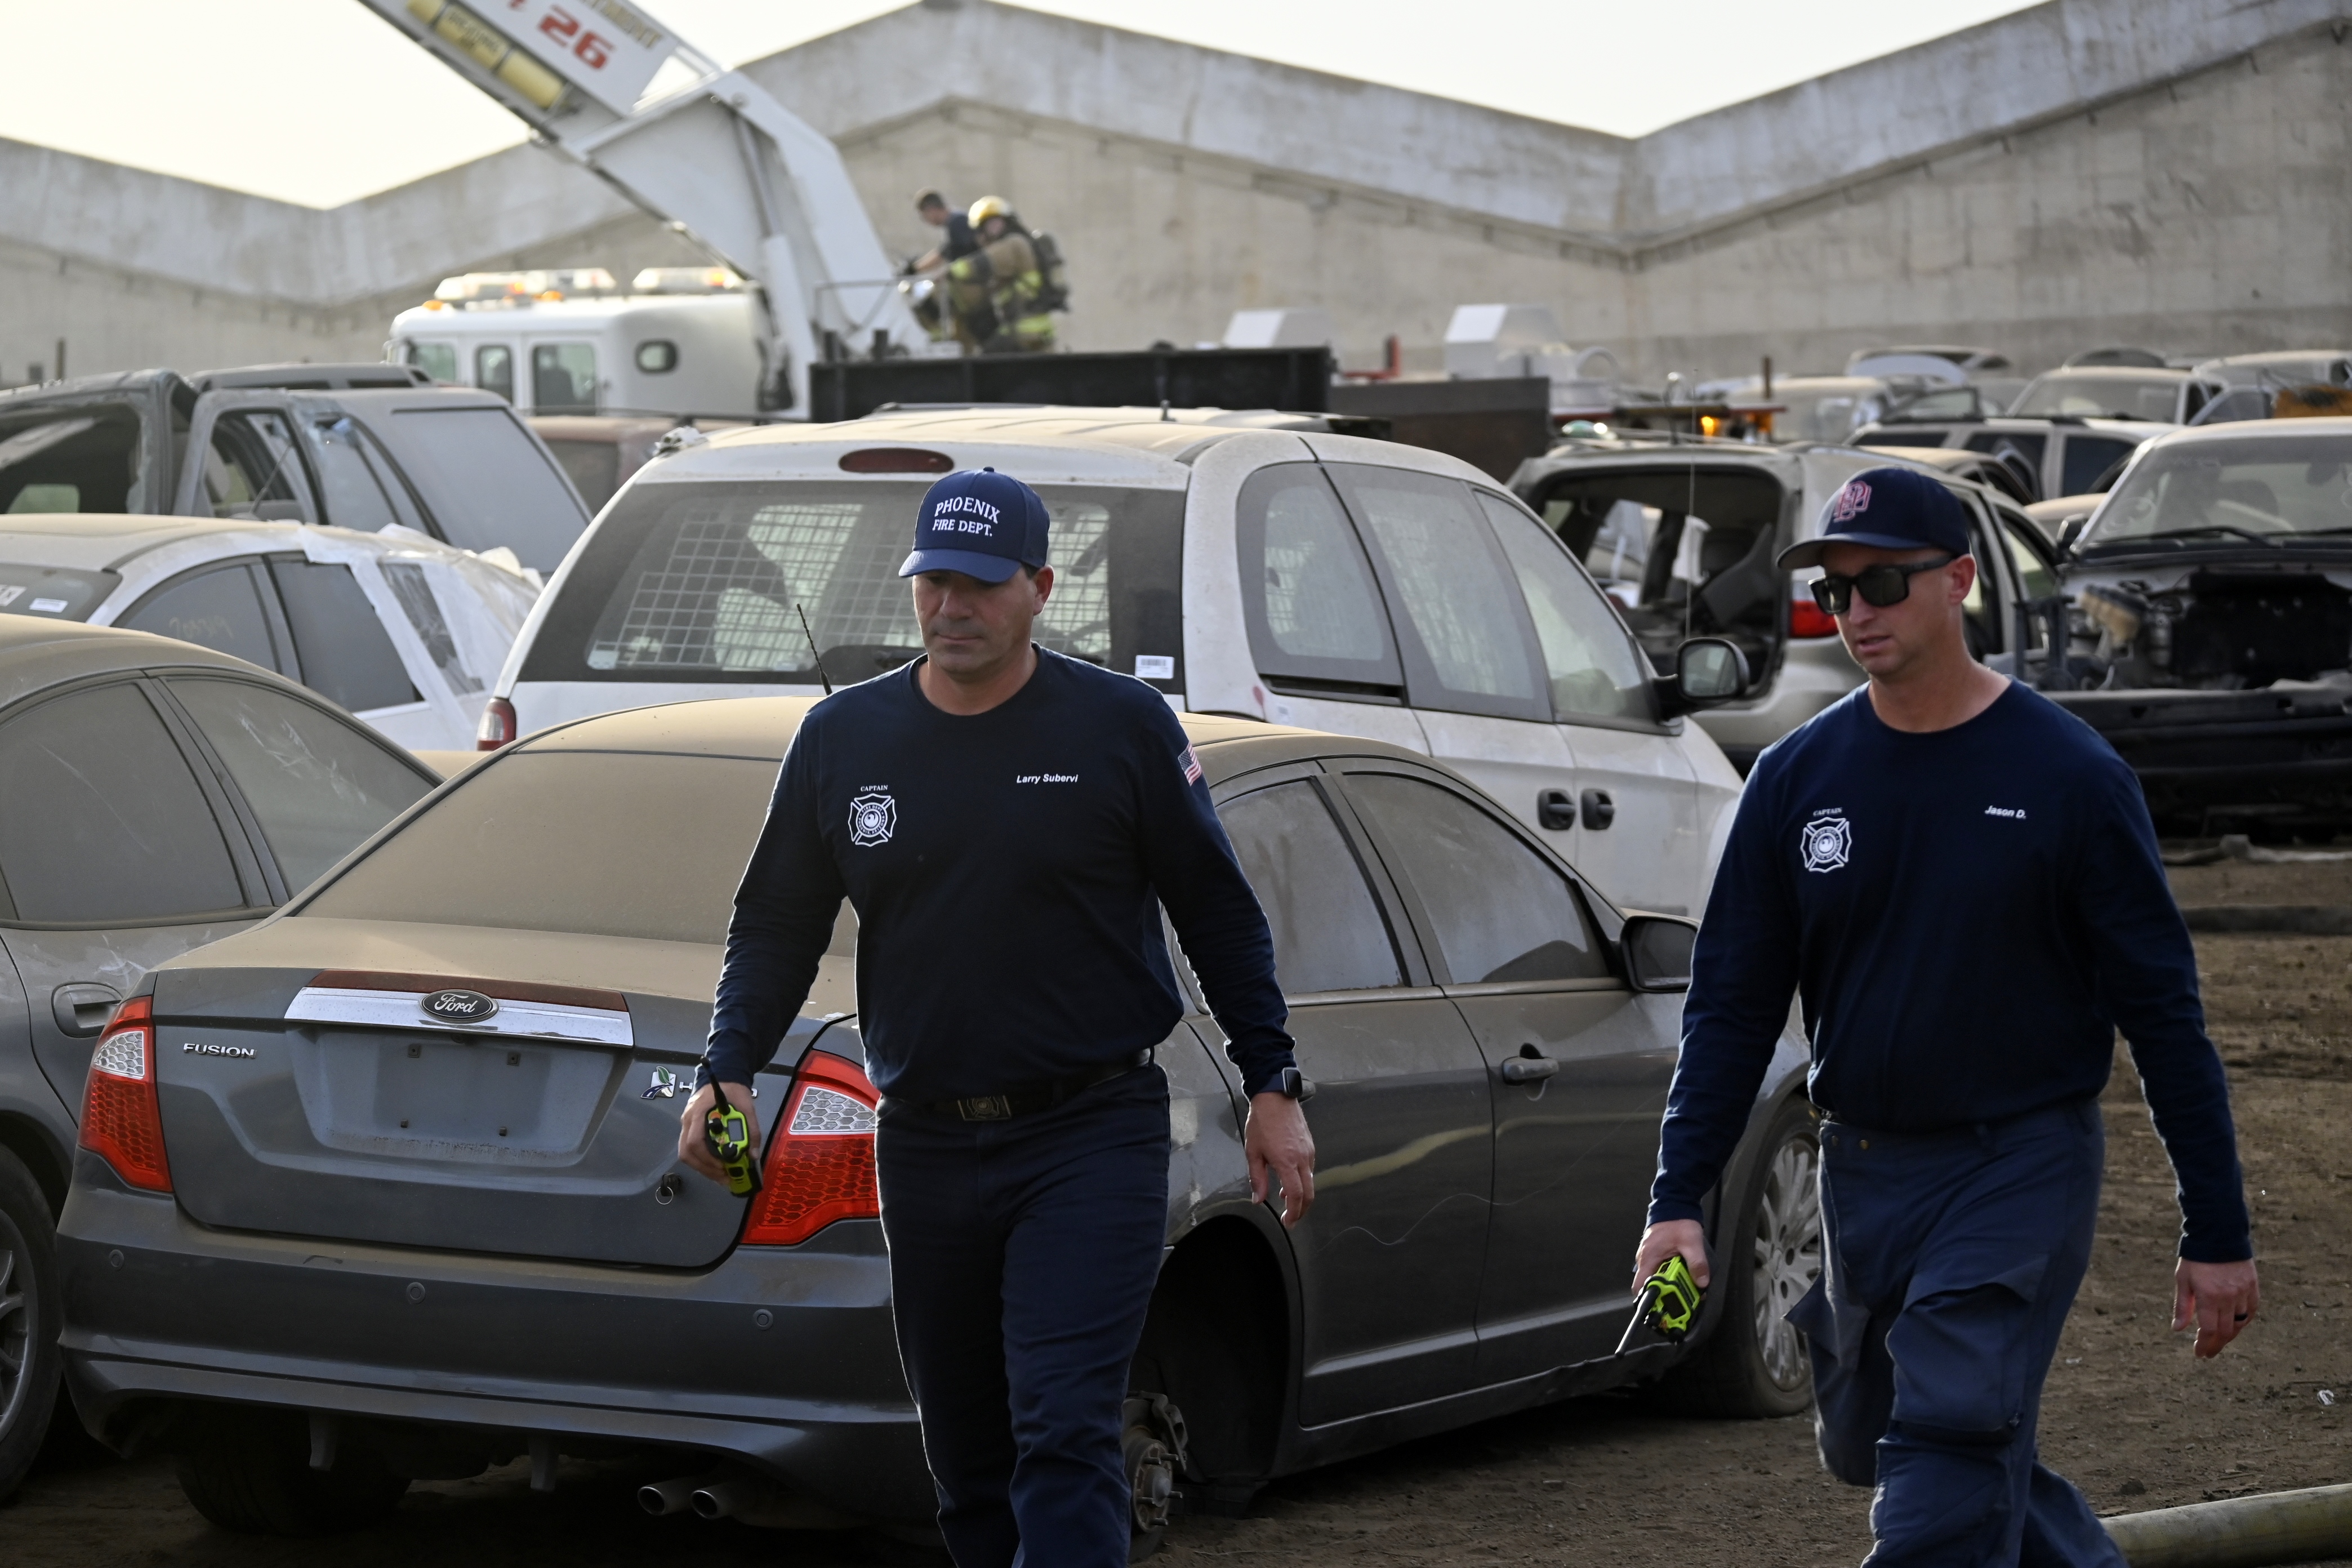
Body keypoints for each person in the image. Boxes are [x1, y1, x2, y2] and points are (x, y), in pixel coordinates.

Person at [679, 466, 1316, 1567]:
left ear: (1039, 589)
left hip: (1091, 1133)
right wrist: (727, 1064)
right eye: (934, 581)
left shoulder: (1119, 726)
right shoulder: (843, 737)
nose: (951, 606)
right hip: (925, 1140)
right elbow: (776, 922)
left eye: (979, 584)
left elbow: (1216, 909)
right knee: (966, 1460)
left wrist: (1272, 1082)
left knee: (1064, 1429)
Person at [1634, 466, 2259, 1567]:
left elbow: (2165, 1018)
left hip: (2018, 1163)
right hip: (1863, 1170)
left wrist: (2216, 1230)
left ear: (1961, 579)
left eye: (1882, 581)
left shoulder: (2071, 777)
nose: (1857, 610)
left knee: (1953, 1435)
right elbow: (1730, 1008)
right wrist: (1678, 1198)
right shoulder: (1794, 778)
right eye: (1835, 590)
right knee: (1895, 1442)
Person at [945, 195, 1059, 354]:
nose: (994, 228)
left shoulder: (1013, 243)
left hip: (1023, 329)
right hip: (1038, 329)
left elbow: (977, 265)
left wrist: (949, 270)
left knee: (985, 362)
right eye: (989, 224)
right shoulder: (1023, 242)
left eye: (996, 221)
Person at [910, 189, 978, 273]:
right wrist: (916, 267)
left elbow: (945, 254)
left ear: (932, 210)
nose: (926, 221)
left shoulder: (957, 222)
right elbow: (944, 250)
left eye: (924, 216)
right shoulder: (955, 220)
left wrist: (914, 269)